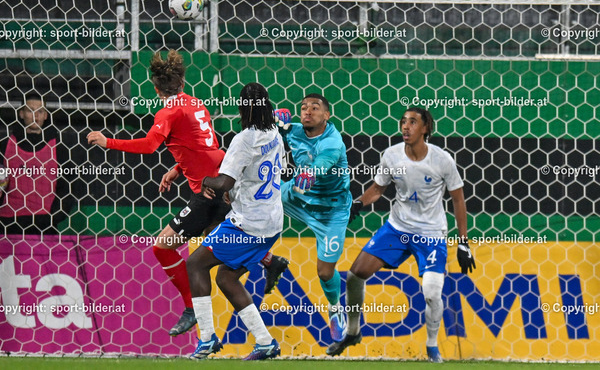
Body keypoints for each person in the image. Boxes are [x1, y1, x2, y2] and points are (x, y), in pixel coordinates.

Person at [87, 50, 287, 337]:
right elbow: (204, 145)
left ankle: (192, 308)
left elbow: (149, 145)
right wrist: (178, 169)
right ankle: (270, 262)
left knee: (162, 247)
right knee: (215, 241)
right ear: (182, 83)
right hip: (223, 178)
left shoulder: (168, 112)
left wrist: (108, 142)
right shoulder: (196, 103)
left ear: (155, 88)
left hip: (208, 191)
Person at [325, 107, 476, 363]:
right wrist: (359, 203)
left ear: (426, 128)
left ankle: (432, 347)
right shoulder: (392, 155)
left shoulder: (442, 160)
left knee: (432, 293)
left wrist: (463, 242)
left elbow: (458, 200)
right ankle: (352, 332)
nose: (406, 126)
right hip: (397, 228)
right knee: (354, 275)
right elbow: (377, 189)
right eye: (404, 121)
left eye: (413, 122)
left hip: (431, 234)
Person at [187, 82, 282, 360]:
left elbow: (223, 183)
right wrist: (236, 189)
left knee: (195, 264)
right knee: (226, 277)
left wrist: (205, 180)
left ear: (241, 106)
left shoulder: (243, 139)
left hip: (247, 224)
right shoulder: (274, 133)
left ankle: (207, 339)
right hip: (272, 222)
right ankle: (265, 342)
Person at [273, 93, 352, 343]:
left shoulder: (332, 142)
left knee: (325, 272)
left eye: (315, 108)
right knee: (258, 200)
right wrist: (271, 120)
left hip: (331, 211)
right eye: (304, 107)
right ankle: (266, 260)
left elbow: (324, 161)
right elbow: (269, 130)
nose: (307, 111)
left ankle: (336, 308)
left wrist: (312, 173)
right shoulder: (293, 130)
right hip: (297, 195)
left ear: (326, 115)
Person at [0, 92, 73, 235]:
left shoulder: (58, 148)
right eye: (30, 110)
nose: (35, 116)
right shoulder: (6, 145)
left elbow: (68, 187)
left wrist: (53, 217)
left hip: (44, 228)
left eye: (40, 111)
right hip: (9, 225)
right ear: (21, 114)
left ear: (46, 115)